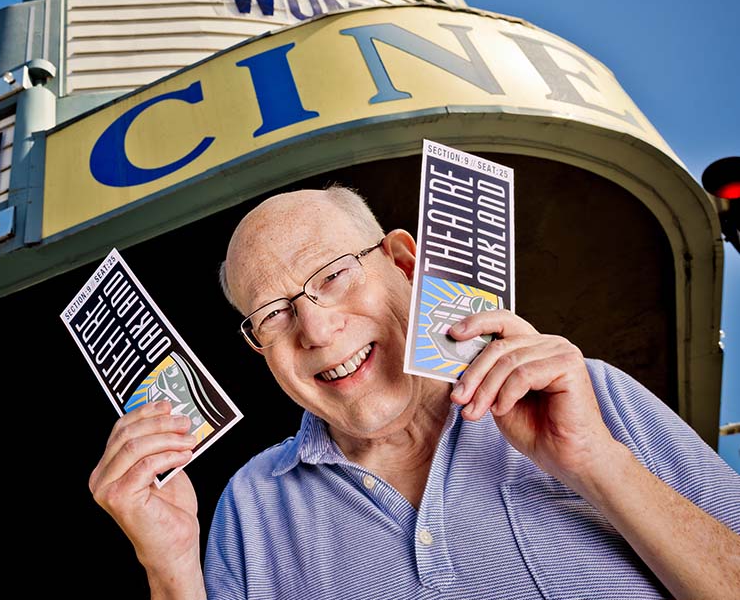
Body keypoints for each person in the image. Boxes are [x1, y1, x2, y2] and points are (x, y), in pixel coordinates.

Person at [89, 186, 740, 599]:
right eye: (273, 314)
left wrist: (597, 462)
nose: (315, 328)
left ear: (404, 264)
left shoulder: (586, 394)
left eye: (336, 275)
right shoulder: (251, 505)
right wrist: (169, 569)